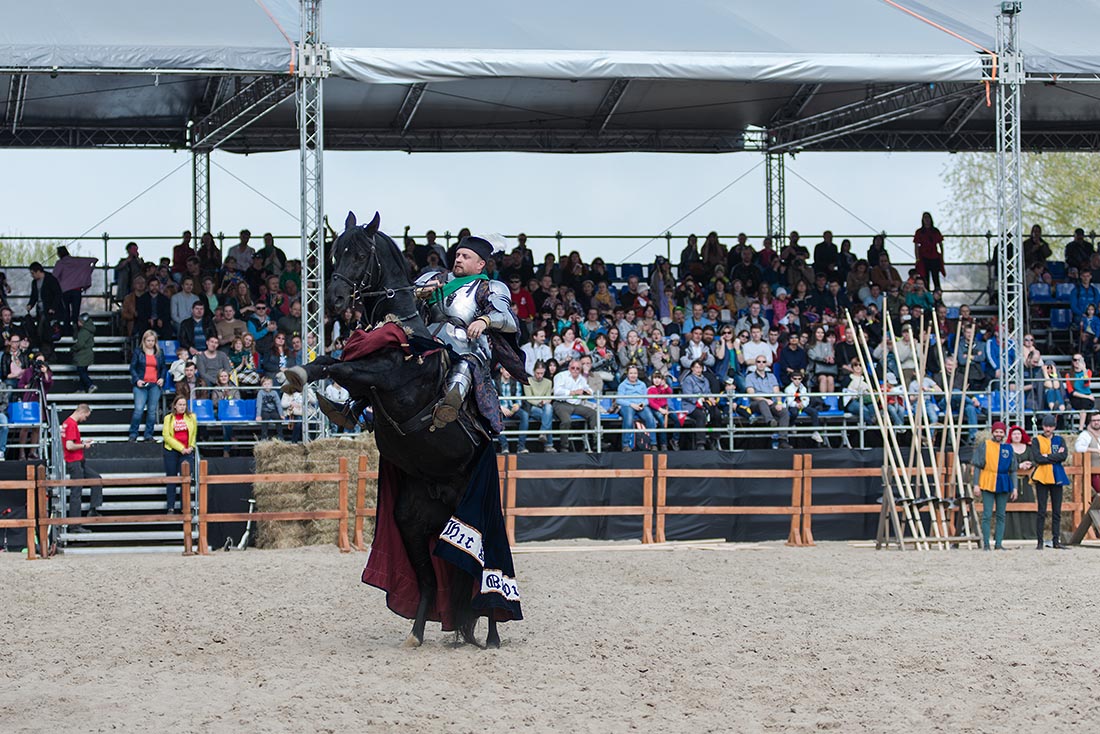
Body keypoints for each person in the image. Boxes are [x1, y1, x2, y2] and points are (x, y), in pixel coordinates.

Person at [413, 235, 523, 429]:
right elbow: (400, 301)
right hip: (426, 337)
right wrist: (417, 295)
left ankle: (449, 404)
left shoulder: (489, 287)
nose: (458, 259)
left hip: (465, 344)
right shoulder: (432, 278)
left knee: (466, 363)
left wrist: (485, 320)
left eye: (465, 256)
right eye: (458, 255)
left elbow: (508, 319)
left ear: (480, 264)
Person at [971, 421, 1018, 551]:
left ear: (1004, 434)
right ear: (993, 432)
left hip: (1003, 482)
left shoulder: (1008, 448)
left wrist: (1015, 488)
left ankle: (998, 543)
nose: (998, 434)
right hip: (988, 481)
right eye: (996, 431)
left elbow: (1013, 470)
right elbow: (977, 466)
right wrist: (976, 484)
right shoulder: (985, 445)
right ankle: (986, 543)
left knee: (1001, 515)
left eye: (1001, 432)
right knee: (987, 514)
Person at [1029, 414, 1069, 550]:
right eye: (1046, 426)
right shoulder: (1037, 440)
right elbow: (1038, 458)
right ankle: (1039, 541)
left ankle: (1056, 540)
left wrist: (1048, 456)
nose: (1048, 429)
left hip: (1057, 475)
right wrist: (1054, 457)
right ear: (1043, 426)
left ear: (1054, 427)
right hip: (1043, 476)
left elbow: (1063, 456)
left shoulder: (1059, 440)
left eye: (1051, 426)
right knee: (1042, 510)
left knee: (1057, 510)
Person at [62, 404, 101, 532]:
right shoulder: (72, 424)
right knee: (76, 493)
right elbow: (69, 446)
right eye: (86, 416)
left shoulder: (67, 423)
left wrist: (82, 443)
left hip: (77, 460)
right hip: (74, 461)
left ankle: (93, 509)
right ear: (82, 412)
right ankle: (75, 525)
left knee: (96, 479)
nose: (85, 419)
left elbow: (70, 443)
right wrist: (84, 446)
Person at [745, 354, 791, 448]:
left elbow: (777, 392)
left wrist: (779, 403)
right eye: (759, 362)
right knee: (762, 403)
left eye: (763, 362)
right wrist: (765, 399)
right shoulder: (749, 377)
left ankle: (783, 440)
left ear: (766, 364)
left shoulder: (772, 376)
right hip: (756, 402)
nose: (761, 364)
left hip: (771, 401)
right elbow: (751, 394)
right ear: (755, 363)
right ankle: (770, 422)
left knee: (784, 411)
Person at [552, 358, 597, 452]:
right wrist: (573, 392)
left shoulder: (581, 378)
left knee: (593, 414)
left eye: (578, 368)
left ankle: (597, 442)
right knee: (566, 421)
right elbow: (557, 392)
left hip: (576, 404)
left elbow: (588, 388)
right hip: (561, 403)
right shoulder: (560, 376)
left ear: (580, 369)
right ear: (569, 368)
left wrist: (589, 392)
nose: (575, 370)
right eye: (573, 368)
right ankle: (564, 446)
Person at [51, 246, 97, 337]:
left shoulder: (60, 263)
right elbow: (93, 260)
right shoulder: (77, 261)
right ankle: (76, 327)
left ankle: (67, 331)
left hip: (64, 291)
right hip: (77, 290)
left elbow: (54, 277)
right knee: (76, 312)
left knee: (66, 312)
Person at [128, 330, 165, 441]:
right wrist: (137, 380)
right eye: (148, 340)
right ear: (144, 341)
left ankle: (148, 434)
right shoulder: (138, 352)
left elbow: (163, 368)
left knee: (152, 411)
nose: (150, 343)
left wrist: (162, 378)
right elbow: (132, 368)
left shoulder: (159, 352)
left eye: (153, 341)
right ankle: (133, 433)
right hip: (141, 384)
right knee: (138, 409)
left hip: (155, 384)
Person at [162, 395, 196, 513]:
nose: (182, 407)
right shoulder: (168, 418)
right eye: (180, 405)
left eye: (184, 405)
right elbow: (166, 436)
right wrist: (181, 448)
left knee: (185, 479)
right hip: (171, 451)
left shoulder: (191, 417)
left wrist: (191, 446)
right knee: (171, 478)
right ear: (175, 406)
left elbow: (194, 434)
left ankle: (185, 507)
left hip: (187, 452)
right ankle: (170, 507)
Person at [26, 261, 63, 359]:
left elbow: (58, 294)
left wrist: (53, 307)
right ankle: (47, 353)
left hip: (49, 311)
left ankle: (48, 353)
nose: (32, 276)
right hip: (40, 310)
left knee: (45, 332)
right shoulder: (34, 283)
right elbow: (34, 296)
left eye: (33, 273)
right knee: (42, 332)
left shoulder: (51, 279)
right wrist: (30, 304)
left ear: (38, 271)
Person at [616, 365, 656, 451]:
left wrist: (643, 404)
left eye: (635, 373)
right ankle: (625, 445)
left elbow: (647, 399)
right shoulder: (622, 385)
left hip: (640, 405)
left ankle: (653, 443)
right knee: (629, 419)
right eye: (631, 373)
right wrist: (631, 404)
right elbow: (619, 400)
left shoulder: (642, 384)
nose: (633, 375)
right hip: (628, 406)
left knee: (650, 417)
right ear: (627, 374)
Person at [783, 370, 824, 445]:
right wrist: (796, 404)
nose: (797, 381)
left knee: (814, 411)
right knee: (794, 412)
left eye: (799, 379)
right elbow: (789, 401)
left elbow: (806, 399)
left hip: (802, 405)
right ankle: (792, 424)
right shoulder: (788, 389)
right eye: (795, 379)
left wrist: (803, 404)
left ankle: (815, 431)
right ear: (791, 379)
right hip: (793, 406)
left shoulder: (803, 388)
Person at [523, 360, 555, 452]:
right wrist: (539, 402)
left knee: (548, 410)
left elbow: (548, 397)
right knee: (548, 416)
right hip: (532, 407)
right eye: (538, 373)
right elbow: (528, 398)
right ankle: (548, 445)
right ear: (534, 371)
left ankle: (543, 433)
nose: (540, 375)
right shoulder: (528, 381)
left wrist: (545, 401)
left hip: (544, 406)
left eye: (542, 373)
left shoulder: (548, 382)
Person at [913, 212, 945, 291]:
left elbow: (941, 245)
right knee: (925, 278)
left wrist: (942, 257)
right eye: (925, 218)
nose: (927, 220)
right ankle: (926, 294)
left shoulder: (935, 231)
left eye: (928, 218)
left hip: (934, 257)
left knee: (936, 278)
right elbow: (916, 246)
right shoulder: (919, 232)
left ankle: (937, 295)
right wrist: (917, 258)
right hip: (924, 257)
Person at [255, 375, 286, 440]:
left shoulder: (274, 393)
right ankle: (264, 437)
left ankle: (280, 436)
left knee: (278, 418)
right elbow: (259, 404)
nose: (267, 386)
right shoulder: (260, 392)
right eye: (265, 384)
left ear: (272, 385)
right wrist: (258, 415)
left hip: (273, 410)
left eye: (268, 384)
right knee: (265, 419)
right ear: (262, 385)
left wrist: (281, 414)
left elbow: (278, 404)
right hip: (264, 410)